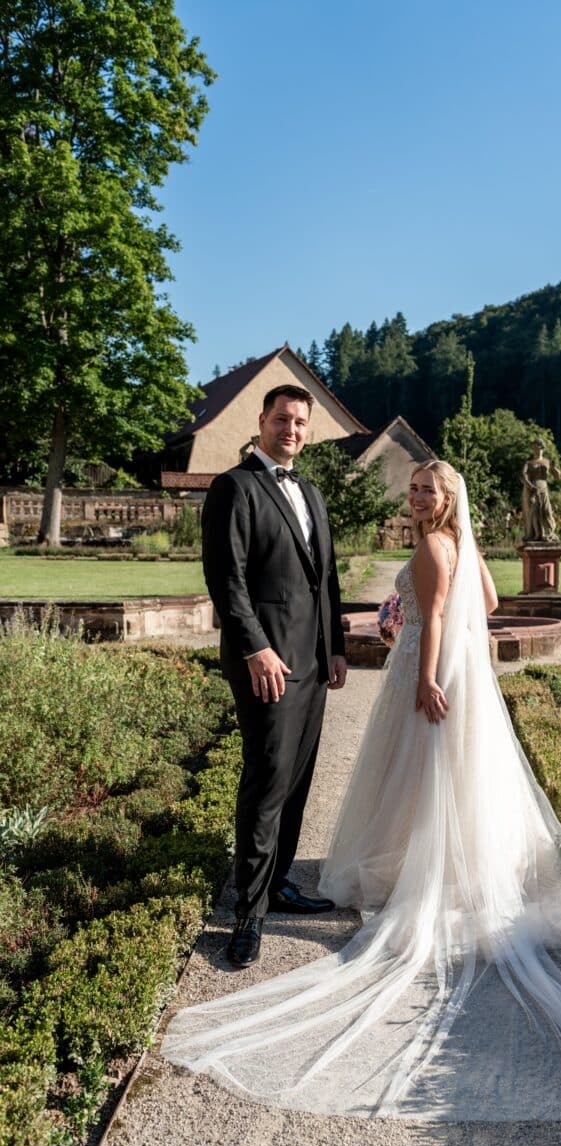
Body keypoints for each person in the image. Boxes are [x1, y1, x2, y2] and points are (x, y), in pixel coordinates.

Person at [164, 461, 561, 1121]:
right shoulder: (462, 544)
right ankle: (452, 872)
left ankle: (426, 879)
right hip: (461, 672)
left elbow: (440, 615)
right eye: (414, 487)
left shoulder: (430, 545)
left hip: (429, 669)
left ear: (447, 499)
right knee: (449, 782)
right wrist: (411, 614)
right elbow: (491, 604)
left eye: (427, 489)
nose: (416, 495)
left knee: (416, 777)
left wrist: (419, 668)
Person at [200, 383, 347, 969]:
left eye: (301, 423)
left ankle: (280, 881)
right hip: (267, 665)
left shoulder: (311, 493)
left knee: (298, 780)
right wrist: (256, 648)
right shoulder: (234, 487)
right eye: (282, 419)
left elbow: (326, 579)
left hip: (313, 665)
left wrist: (335, 649)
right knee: (265, 781)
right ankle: (248, 913)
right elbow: (225, 579)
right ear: (261, 420)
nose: (291, 430)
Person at [522, 437, 561, 541]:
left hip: (544, 489)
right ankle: (538, 535)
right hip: (533, 490)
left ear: (542, 448)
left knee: (547, 512)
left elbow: (558, 477)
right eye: (534, 447)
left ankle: (549, 533)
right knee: (535, 513)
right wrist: (530, 486)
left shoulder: (547, 462)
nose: (536, 449)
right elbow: (524, 476)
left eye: (538, 447)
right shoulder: (529, 463)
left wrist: (554, 468)